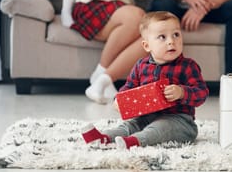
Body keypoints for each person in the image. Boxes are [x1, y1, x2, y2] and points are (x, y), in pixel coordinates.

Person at [81, 11, 209, 149]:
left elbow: (202, 93)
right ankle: (103, 138)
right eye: (162, 37)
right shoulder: (141, 66)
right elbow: (128, 87)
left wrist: (182, 92)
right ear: (147, 46)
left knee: (159, 128)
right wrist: (119, 100)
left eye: (176, 35)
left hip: (179, 121)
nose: (171, 41)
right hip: (145, 117)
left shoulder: (188, 66)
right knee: (129, 125)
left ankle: (133, 142)